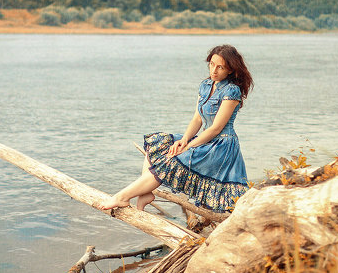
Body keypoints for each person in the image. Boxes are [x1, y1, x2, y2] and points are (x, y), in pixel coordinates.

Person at [98, 44, 253, 214]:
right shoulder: (206, 86)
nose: (214, 70)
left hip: (221, 147)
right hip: (205, 140)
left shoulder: (232, 91)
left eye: (220, 67)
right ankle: (145, 192)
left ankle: (121, 197)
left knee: (171, 160)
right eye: (211, 64)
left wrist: (189, 147)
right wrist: (184, 140)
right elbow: (197, 118)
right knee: (160, 142)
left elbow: (215, 129)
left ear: (230, 70)